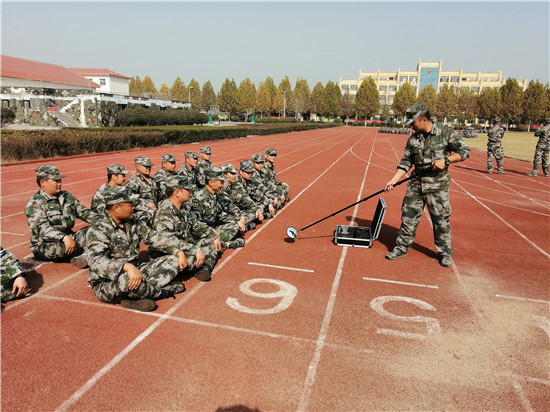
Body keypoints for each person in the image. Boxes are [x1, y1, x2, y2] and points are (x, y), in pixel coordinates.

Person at [384, 102, 470, 268]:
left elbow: (465, 151)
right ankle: (401, 248)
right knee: (408, 217)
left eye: (413, 122)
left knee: (440, 220)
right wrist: (393, 180)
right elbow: (406, 162)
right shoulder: (413, 139)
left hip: (437, 186)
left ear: (424, 119)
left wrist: (446, 160)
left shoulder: (445, 133)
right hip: (416, 185)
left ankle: (445, 252)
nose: (411, 126)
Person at [86, 186, 184, 312]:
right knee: (127, 280)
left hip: (137, 271)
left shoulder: (132, 222)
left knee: (173, 260)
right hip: (108, 282)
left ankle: (138, 294)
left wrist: (177, 251)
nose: (134, 208)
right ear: (116, 208)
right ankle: (163, 292)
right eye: (130, 205)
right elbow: (96, 262)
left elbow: (153, 237)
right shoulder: (97, 229)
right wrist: (125, 267)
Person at [148, 175, 222, 282]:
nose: (190, 192)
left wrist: (213, 234)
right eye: (187, 189)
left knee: (211, 243)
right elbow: (168, 241)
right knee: (193, 258)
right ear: (177, 192)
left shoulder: (183, 208)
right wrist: (195, 250)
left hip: (184, 246)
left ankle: (204, 268)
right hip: (167, 252)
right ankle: (198, 267)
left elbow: (196, 225)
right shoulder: (164, 213)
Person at [25, 165, 97, 267]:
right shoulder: (35, 203)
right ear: (42, 182)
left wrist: (104, 222)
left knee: (98, 232)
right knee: (70, 248)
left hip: (70, 237)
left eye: (60, 180)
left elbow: (84, 212)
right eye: (55, 180)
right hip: (46, 244)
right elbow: (41, 228)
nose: (59, 183)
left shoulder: (66, 196)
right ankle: (90, 255)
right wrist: (64, 237)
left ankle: (85, 256)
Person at [189, 167, 245, 250]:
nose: (222, 185)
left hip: (212, 228)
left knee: (234, 226)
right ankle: (224, 244)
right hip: (201, 233)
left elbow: (220, 213)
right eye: (221, 182)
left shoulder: (214, 195)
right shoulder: (198, 199)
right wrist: (211, 232)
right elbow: (195, 224)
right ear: (211, 182)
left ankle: (219, 243)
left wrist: (236, 221)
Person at [220, 163, 263, 230]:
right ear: (224, 175)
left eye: (235, 173)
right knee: (235, 226)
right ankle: (242, 226)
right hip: (223, 216)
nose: (235, 175)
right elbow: (229, 206)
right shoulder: (220, 188)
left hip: (232, 213)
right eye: (232, 174)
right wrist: (240, 217)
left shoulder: (233, 186)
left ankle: (243, 225)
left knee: (254, 211)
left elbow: (243, 198)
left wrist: (256, 208)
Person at [125, 156, 158, 225]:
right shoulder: (133, 182)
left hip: (154, 209)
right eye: (146, 166)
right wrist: (147, 205)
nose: (148, 168)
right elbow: (131, 199)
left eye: (149, 166)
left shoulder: (152, 180)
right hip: (141, 211)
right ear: (138, 166)